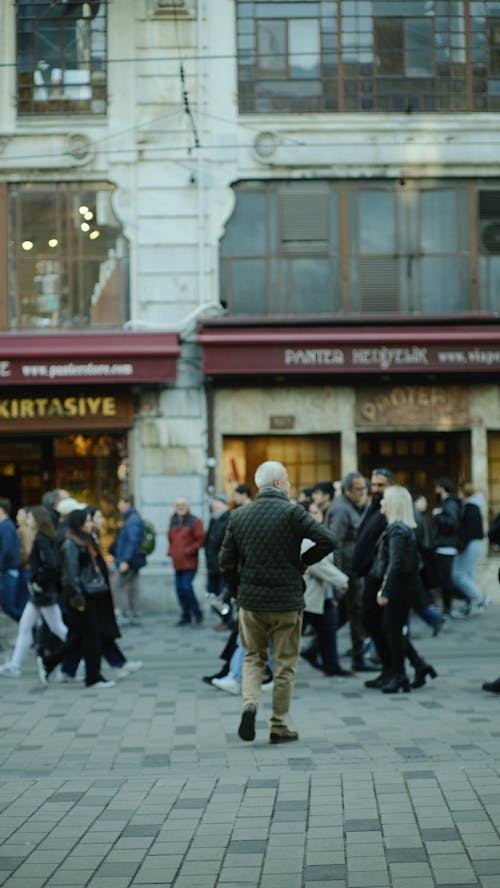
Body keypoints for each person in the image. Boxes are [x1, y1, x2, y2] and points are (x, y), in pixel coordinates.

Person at [219, 460, 335, 744]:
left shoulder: (239, 516)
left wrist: (237, 592)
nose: (290, 485)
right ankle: (279, 725)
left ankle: (249, 704)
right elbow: (328, 540)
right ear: (278, 483)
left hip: (251, 601)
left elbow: (225, 563)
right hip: (287, 601)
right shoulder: (293, 513)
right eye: (288, 481)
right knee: (285, 665)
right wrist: (302, 562)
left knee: (252, 658)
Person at [38, 508, 115, 689]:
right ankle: (93, 677)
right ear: (79, 523)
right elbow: (71, 574)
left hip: (91, 593)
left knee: (80, 637)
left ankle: (49, 662)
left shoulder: (85, 540)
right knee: (92, 637)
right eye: (87, 521)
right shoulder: (71, 544)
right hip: (81, 597)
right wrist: (78, 597)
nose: (90, 524)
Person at [375, 485, 437, 693]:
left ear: (392, 504)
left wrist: (385, 591)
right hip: (405, 586)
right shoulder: (401, 528)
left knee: (393, 632)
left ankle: (401, 675)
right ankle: (418, 667)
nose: (381, 503)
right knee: (395, 631)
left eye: (384, 499)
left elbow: (395, 563)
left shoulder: (397, 530)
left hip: (400, 588)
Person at [0, 506, 68, 678]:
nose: (26, 520)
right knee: (25, 626)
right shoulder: (44, 538)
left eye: (29, 517)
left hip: (43, 593)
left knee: (58, 628)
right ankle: (15, 665)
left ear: (37, 520)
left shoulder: (42, 539)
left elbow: (52, 566)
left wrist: (39, 581)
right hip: (40, 593)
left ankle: (80, 658)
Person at [300, 501, 352, 678]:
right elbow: (318, 564)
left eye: (317, 512)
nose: (317, 515)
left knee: (329, 631)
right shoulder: (304, 537)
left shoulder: (318, 534)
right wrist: (342, 580)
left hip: (323, 595)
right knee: (291, 635)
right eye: (312, 512)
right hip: (308, 596)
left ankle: (332, 667)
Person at [327, 472, 371, 672]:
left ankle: (316, 647)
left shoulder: (352, 507)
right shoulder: (341, 509)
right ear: (347, 490)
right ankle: (358, 658)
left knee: (347, 613)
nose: (362, 492)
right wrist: (339, 576)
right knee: (356, 612)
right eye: (358, 489)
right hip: (348, 571)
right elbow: (335, 543)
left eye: (364, 488)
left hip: (354, 569)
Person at [167, 497, 205, 626]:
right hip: (177, 562)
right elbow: (171, 539)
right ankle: (186, 615)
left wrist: (189, 551)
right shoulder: (173, 520)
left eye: (183, 504)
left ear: (188, 506)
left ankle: (197, 612)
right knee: (179, 589)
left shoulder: (195, 521)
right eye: (178, 505)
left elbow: (200, 540)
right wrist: (171, 551)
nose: (180, 507)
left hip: (189, 562)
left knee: (186, 587)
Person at [110, 493, 146, 626]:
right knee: (133, 587)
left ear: (127, 503)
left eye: (120, 502)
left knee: (117, 585)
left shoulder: (133, 520)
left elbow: (132, 542)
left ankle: (126, 614)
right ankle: (135, 614)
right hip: (131, 560)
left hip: (129, 561)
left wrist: (125, 560)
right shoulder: (130, 518)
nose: (118, 506)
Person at [452, 482, 488, 614]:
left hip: (471, 543)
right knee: (468, 575)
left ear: (463, 492)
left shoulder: (471, 507)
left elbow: (469, 530)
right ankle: (472, 605)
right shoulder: (472, 506)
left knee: (458, 574)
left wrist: (461, 546)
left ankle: (480, 598)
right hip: (473, 543)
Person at [432, 477, 462, 616]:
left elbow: (451, 523)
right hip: (444, 545)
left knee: (446, 579)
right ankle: (446, 607)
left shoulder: (449, 503)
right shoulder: (446, 502)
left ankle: (448, 607)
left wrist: (437, 516)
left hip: (446, 546)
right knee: (444, 578)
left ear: (441, 487)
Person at [204, 493, 233, 630]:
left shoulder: (229, 518)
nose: (213, 505)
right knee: (212, 593)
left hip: (223, 565)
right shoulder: (214, 519)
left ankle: (227, 621)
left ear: (222, 503)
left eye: (215, 502)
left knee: (223, 594)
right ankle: (224, 619)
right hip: (212, 564)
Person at [0, 497, 22, 622]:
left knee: (8, 606)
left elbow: (7, 549)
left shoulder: (6, 526)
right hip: (7, 570)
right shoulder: (6, 525)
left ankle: (30, 624)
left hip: (7, 571)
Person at [16, 506, 36, 614]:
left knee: (23, 599)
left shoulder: (23, 530)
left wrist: (17, 563)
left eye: (20, 515)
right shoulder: (29, 529)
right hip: (27, 568)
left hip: (25, 569)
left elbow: (27, 552)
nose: (17, 517)